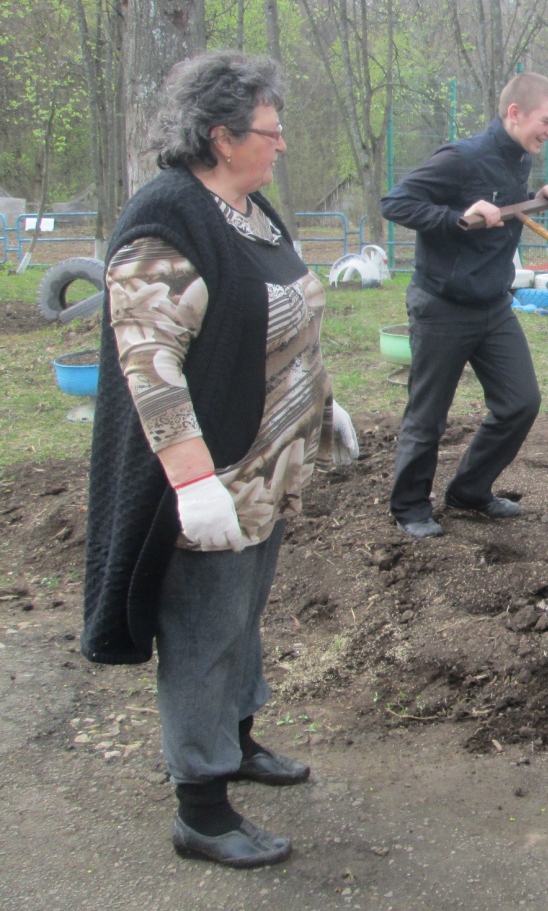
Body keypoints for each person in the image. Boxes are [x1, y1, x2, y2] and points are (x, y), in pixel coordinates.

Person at [81, 51, 358, 868]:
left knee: (242, 618)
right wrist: (194, 482)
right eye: (269, 133)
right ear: (218, 136)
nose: (281, 145)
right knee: (203, 634)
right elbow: (150, 367)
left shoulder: (249, 206)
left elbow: (284, 318)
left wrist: (319, 401)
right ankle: (200, 808)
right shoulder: (167, 222)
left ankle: (236, 742)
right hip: (213, 475)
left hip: (268, 466)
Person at [381, 72, 548, 538]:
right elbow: (396, 203)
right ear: (515, 113)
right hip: (442, 304)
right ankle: (409, 508)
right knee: (428, 416)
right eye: (547, 121)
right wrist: (455, 219)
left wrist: (538, 199)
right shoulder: (461, 157)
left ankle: (469, 490)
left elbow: (502, 204)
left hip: (493, 304)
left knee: (521, 402)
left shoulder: (519, 157)